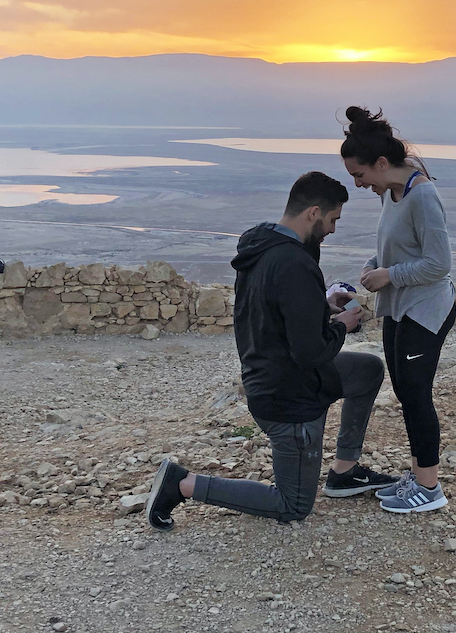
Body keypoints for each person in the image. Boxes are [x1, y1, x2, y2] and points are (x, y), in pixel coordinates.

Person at [147, 171, 397, 530]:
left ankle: (344, 470)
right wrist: (343, 324)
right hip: (287, 398)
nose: (333, 229)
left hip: (271, 374)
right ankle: (182, 484)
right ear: (313, 212)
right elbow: (311, 352)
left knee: (367, 371)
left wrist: (323, 305)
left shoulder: (262, 248)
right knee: (292, 505)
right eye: (332, 219)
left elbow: (275, 312)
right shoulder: (294, 263)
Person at [340, 107, 456, 514]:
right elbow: (399, 245)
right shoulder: (392, 192)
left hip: (425, 310)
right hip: (400, 309)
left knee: (417, 396)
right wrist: (376, 264)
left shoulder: (422, 195)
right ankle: (418, 475)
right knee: (407, 394)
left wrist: (391, 274)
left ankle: (430, 487)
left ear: (382, 163)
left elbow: (439, 264)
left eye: (360, 174)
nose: (358, 184)